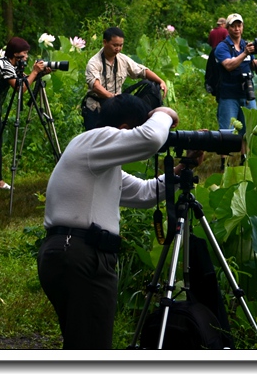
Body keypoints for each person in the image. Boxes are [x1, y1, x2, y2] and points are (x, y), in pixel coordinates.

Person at [37, 94, 200, 349]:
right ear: (125, 129)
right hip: (82, 254)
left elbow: (144, 193)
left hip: (71, 253)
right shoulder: (95, 138)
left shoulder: (98, 161)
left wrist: (180, 169)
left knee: (83, 343)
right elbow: (151, 138)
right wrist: (165, 113)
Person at [0, 37, 49, 190]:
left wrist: (37, 74)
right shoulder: (5, 66)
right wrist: (34, 72)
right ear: (15, 53)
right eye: (24, 53)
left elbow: (23, 79)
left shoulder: (7, 64)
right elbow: (20, 88)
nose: (26, 57)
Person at [82, 27, 167, 131]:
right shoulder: (94, 63)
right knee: (95, 139)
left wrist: (160, 81)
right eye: (115, 45)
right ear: (105, 42)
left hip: (115, 108)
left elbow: (142, 71)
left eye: (120, 45)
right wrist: (112, 97)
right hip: (96, 107)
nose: (118, 48)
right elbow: (96, 86)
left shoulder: (123, 59)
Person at [214, 13, 257, 135]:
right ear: (228, 28)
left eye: (239, 25)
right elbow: (228, 65)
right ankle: (224, 155)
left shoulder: (246, 44)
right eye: (233, 26)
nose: (237, 29)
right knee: (227, 132)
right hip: (228, 95)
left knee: (249, 132)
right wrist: (244, 53)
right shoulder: (222, 47)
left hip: (247, 94)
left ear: (242, 27)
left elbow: (252, 64)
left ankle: (245, 154)